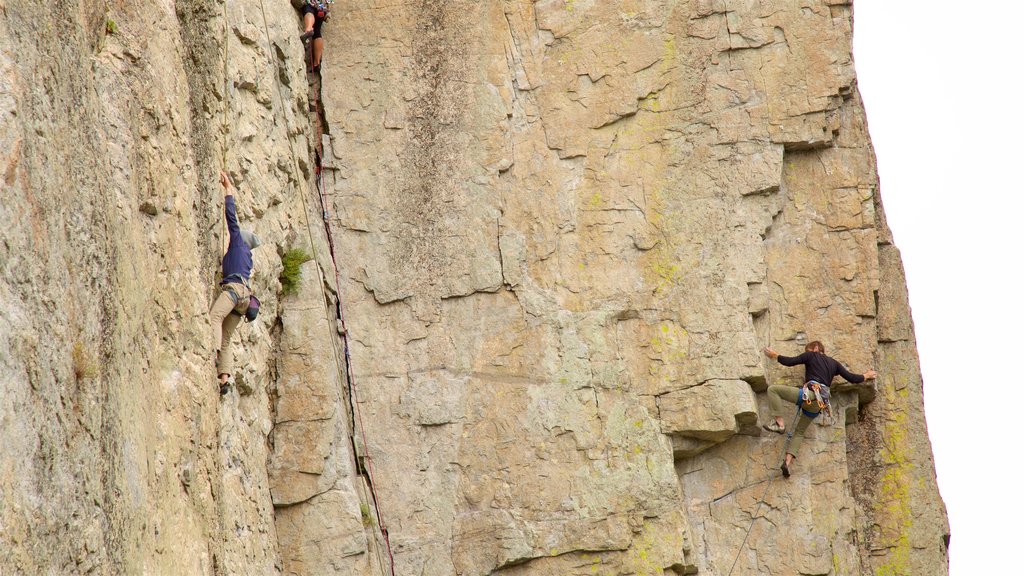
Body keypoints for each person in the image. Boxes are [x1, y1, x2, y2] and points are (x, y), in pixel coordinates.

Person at [762, 341, 877, 477]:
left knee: (773, 390)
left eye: (809, 350)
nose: (808, 352)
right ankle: (787, 463)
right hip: (819, 404)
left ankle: (779, 424)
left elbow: (791, 361)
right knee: (799, 432)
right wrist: (867, 375)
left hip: (810, 395)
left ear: (815, 348)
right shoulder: (834, 364)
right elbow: (851, 377)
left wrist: (775, 355)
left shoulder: (811, 355)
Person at [211, 171, 262, 395]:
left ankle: (209, 353)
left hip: (234, 291)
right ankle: (224, 378)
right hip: (243, 298)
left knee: (214, 317)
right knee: (227, 337)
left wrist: (228, 188)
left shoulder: (238, 243)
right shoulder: (246, 256)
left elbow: (231, 217)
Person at [300, 0, 332, 73]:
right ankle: (316, 63)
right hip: (322, 7)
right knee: (317, 32)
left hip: (311, 2)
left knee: (309, 11)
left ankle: (309, 29)